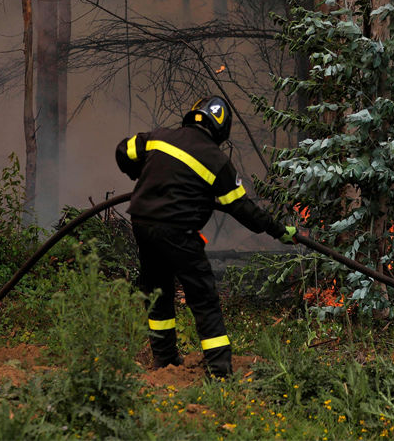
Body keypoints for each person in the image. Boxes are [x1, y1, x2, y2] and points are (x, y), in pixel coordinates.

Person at [115, 96, 296, 378]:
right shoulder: (217, 161)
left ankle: (164, 362)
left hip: (143, 224)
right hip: (178, 232)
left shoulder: (159, 137)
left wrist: (142, 174)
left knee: (157, 293)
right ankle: (221, 371)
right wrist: (278, 230)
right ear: (221, 130)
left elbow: (123, 151)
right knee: (203, 298)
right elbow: (242, 208)